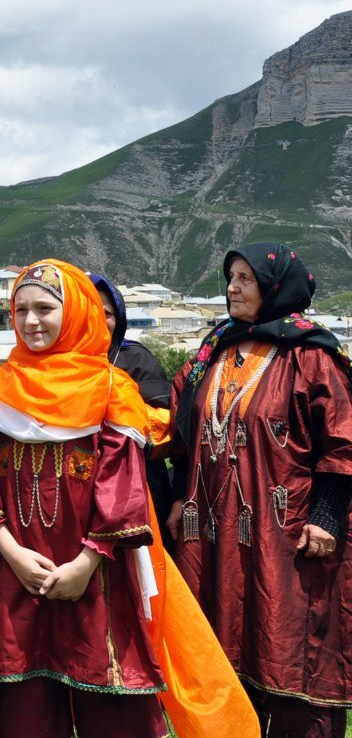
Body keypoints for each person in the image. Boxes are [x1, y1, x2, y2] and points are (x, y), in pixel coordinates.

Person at [0, 259, 167, 738]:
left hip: (96, 575)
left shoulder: (111, 388)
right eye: (21, 310)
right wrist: (10, 553)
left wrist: (86, 563)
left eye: (45, 309)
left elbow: (122, 483)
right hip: (15, 572)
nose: (31, 321)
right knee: (25, 708)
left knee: (109, 700)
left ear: (74, 312)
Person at [166, 243, 352, 737]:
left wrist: (328, 516)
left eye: (245, 279)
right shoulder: (214, 350)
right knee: (220, 636)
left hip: (288, 532)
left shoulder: (312, 356)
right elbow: (178, 426)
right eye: (230, 277)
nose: (232, 288)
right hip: (210, 531)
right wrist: (178, 495)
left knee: (287, 640)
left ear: (274, 286)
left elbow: (343, 439)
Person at [90, 273, 176, 541]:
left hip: (138, 486)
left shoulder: (135, 358)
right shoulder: (50, 362)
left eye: (107, 312)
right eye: (89, 308)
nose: (99, 319)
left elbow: (167, 425)